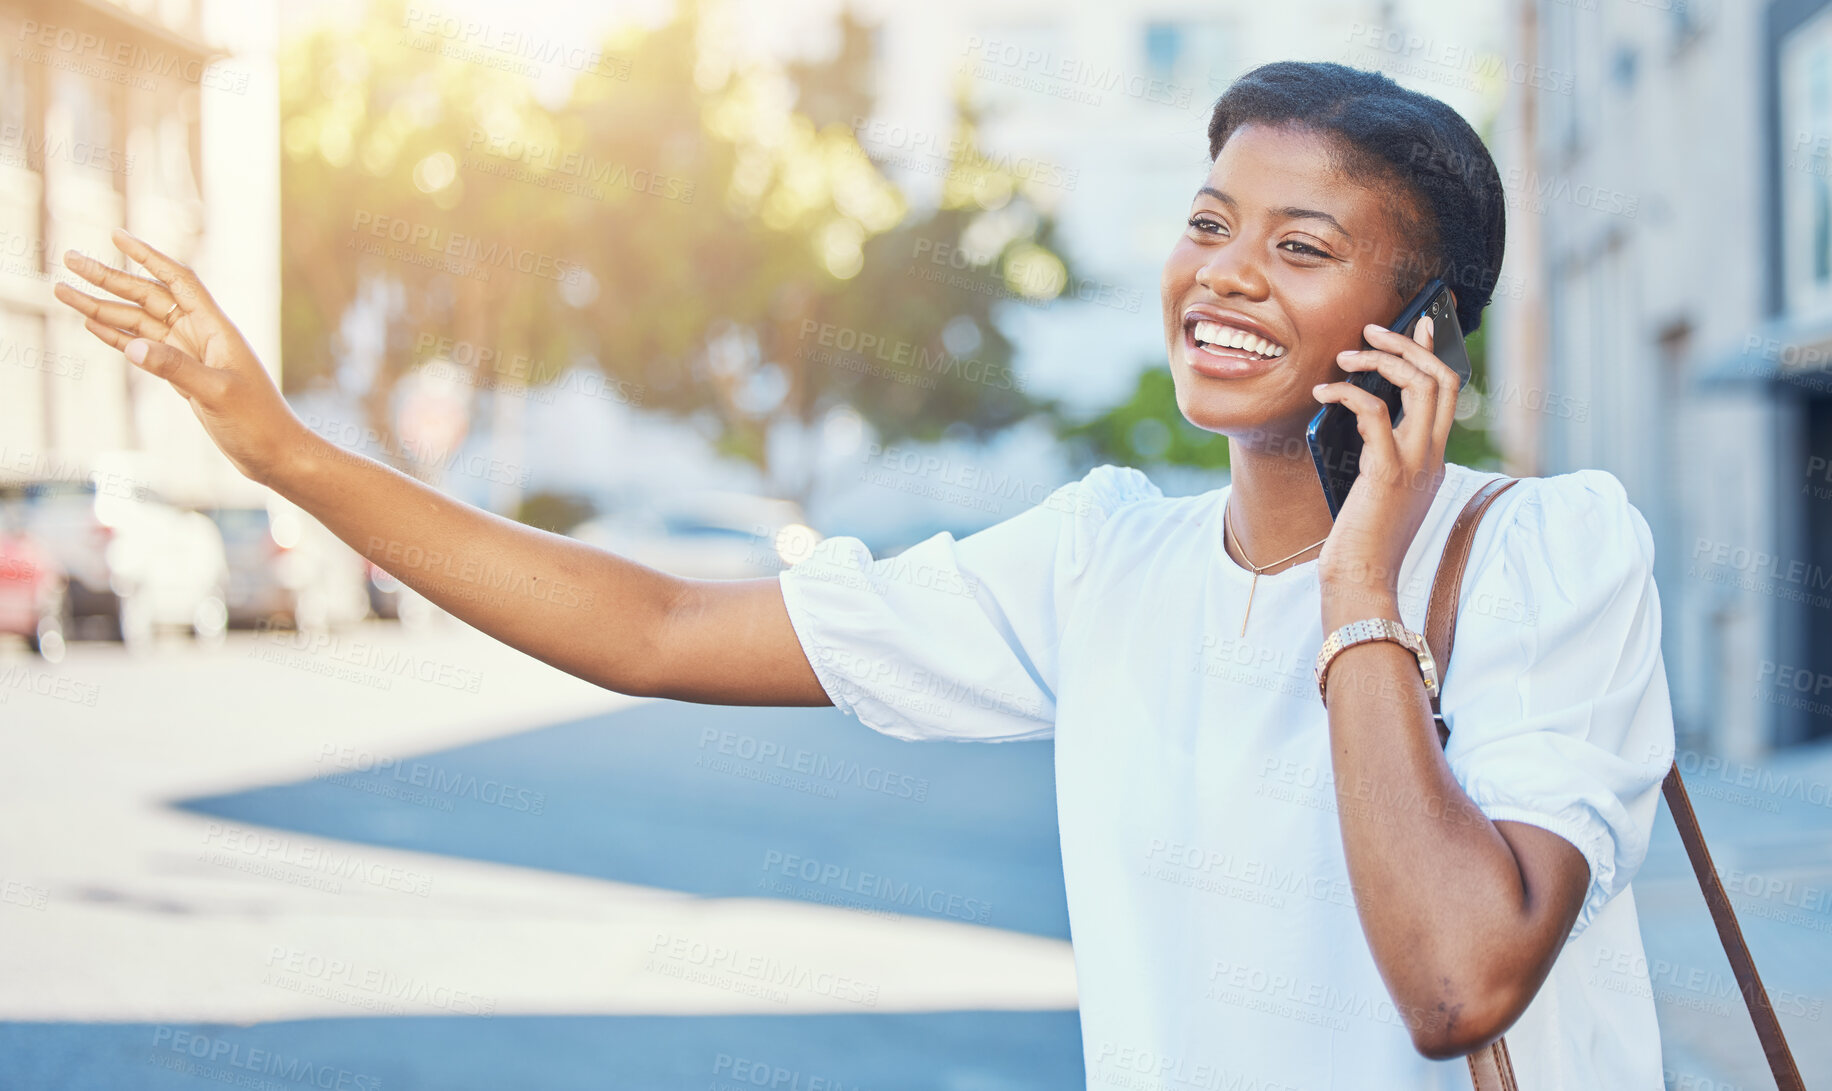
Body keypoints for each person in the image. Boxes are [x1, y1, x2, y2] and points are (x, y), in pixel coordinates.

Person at [54, 59, 1673, 1091]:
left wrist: (1360, 583)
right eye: (1208, 221)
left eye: (1303, 248)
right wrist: (278, 451)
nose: (1226, 275)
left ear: (1424, 328)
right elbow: (658, 624)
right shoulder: (1104, 557)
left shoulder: (1550, 552)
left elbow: (1463, 979)